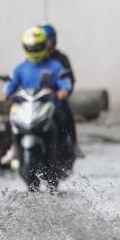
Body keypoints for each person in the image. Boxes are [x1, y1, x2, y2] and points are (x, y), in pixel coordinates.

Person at [1, 27, 72, 163]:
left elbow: (64, 80)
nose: (34, 51)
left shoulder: (55, 66)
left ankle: (63, 149)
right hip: (26, 107)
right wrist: (6, 93)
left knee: (62, 118)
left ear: (45, 46)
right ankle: (13, 147)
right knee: (9, 120)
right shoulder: (21, 68)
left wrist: (63, 91)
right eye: (30, 48)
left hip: (48, 106)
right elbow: (12, 83)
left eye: (37, 47)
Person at [39, 23, 82, 156]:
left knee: (65, 114)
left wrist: (63, 92)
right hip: (36, 100)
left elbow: (69, 79)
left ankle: (73, 144)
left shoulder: (61, 59)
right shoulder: (32, 61)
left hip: (55, 99)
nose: (47, 44)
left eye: (49, 40)